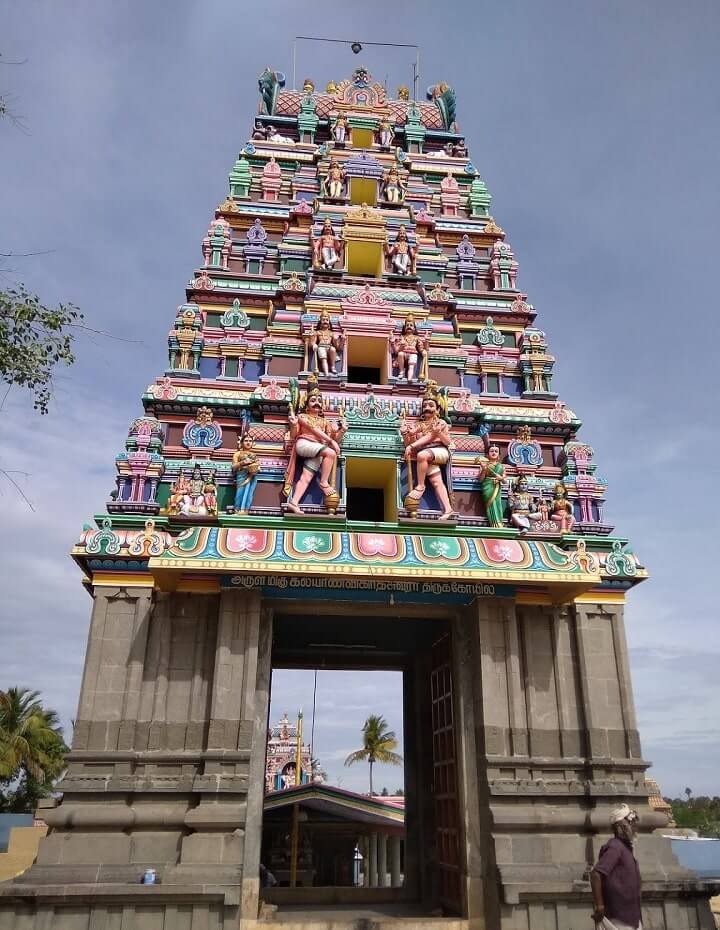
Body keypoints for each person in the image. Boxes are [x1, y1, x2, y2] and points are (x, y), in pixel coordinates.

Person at [284, 383, 347, 514]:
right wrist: (294, 425)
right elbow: (311, 431)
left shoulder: (325, 422)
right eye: (313, 401)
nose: (316, 403)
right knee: (330, 453)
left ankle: (294, 502)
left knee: (306, 476)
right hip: (304, 444)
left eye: (319, 401)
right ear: (307, 405)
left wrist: (341, 431)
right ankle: (324, 482)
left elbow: (334, 440)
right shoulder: (302, 417)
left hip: (318, 450)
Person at [400, 384, 454, 520]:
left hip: (440, 452)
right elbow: (411, 436)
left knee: (422, 455)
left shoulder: (440, 423)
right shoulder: (420, 424)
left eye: (431, 405)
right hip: (428, 456)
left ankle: (420, 485)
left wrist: (412, 446)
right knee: (436, 482)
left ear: (437, 409)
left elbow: (431, 437)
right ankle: (448, 509)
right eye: (425, 406)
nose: (427, 408)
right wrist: (406, 432)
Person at [591, 804, 642, 930]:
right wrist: (600, 906)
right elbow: (596, 874)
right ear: (621, 826)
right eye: (630, 822)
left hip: (631, 917)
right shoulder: (615, 847)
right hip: (619, 919)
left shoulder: (625, 848)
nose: (633, 826)